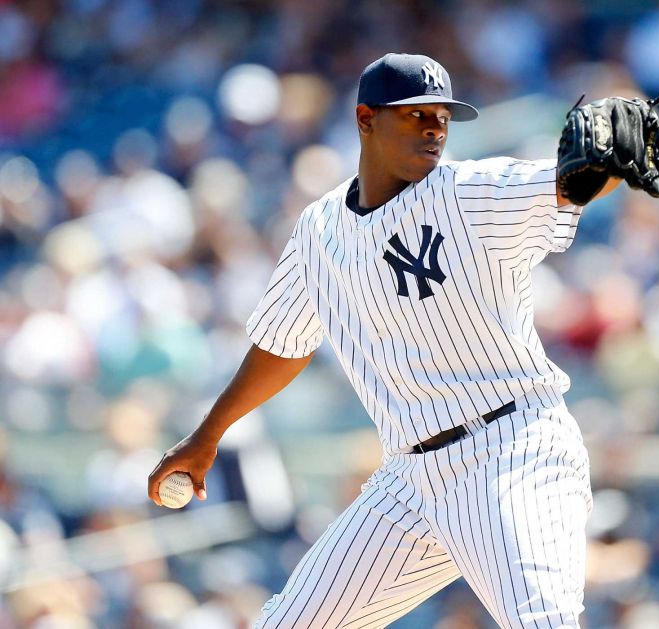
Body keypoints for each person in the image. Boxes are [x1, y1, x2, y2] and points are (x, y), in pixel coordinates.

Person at [149, 53, 631, 628]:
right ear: (365, 119)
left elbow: (565, 182)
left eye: (442, 116)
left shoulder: (467, 194)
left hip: (512, 448)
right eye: (414, 114)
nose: (433, 127)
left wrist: (618, 148)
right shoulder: (320, 230)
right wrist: (209, 435)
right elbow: (284, 343)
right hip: (410, 480)